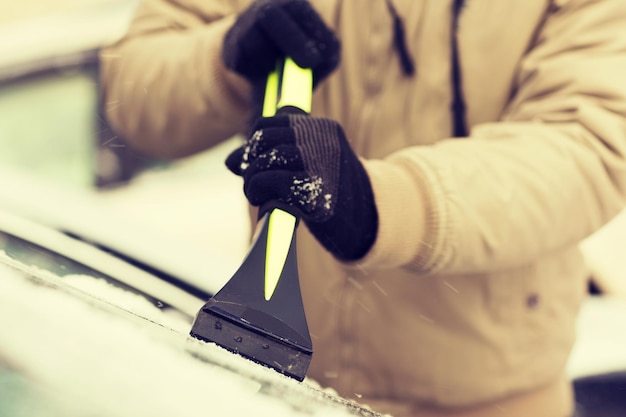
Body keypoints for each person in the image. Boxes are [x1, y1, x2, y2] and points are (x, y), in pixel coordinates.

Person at [99, 0, 626, 416]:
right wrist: (222, 58)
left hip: (488, 403)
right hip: (278, 386)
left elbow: (589, 143)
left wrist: (385, 204)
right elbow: (130, 96)